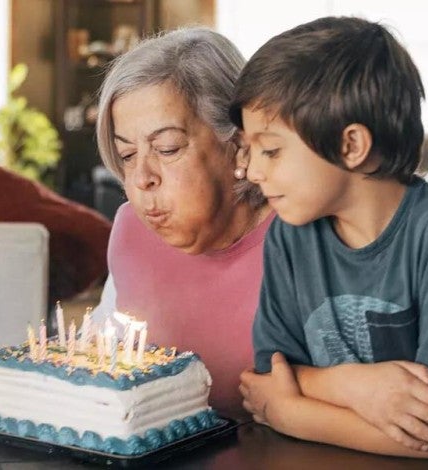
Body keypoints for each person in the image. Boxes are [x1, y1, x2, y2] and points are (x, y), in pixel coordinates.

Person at [232, 16, 428, 458]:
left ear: (351, 146)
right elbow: (267, 378)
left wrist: (291, 412)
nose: (252, 171)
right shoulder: (289, 234)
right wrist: (355, 385)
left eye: (270, 150)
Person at [91, 27, 273, 416]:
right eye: (126, 154)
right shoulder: (130, 230)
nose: (141, 178)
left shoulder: (301, 238)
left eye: (167, 148)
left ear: (237, 143)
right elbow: (97, 352)